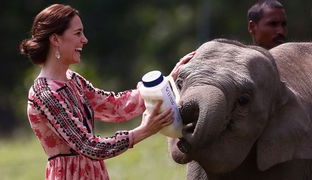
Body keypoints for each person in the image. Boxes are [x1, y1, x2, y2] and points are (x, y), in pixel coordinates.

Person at [19, 4, 195, 180]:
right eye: (78, 33)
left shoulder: (74, 80)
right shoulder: (45, 94)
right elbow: (89, 147)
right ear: (55, 39)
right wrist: (143, 131)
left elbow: (115, 107)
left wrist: (166, 82)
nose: (84, 40)